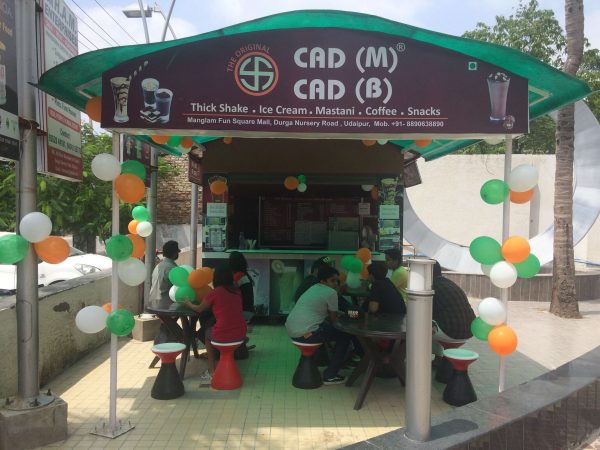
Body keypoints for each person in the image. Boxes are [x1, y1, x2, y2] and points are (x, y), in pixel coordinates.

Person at [182, 264, 247, 385]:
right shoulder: (237, 291)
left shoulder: (215, 292)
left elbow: (199, 309)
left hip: (224, 335)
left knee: (206, 334)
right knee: (213, 328)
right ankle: (221, 360)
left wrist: (188, 304)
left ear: (216, 278)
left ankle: (212, 370)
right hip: (241, 334)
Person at [285, 266, 351, 385]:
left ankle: (321, 361)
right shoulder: (331, 293)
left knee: (324, 328)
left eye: (337, 281)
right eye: (332, 280)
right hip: (306, 334)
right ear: (323, 281)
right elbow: (334, 320)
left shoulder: (313, 288)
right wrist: (350, 316)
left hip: (291, 330)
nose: (336, 284)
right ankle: (330, 375)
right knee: (344, 336)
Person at [431, 261, 475, 342]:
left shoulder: (430, 286)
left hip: (451, 333)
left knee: (415, 329)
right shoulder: (449, 283)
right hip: (470, 330)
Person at [148, 240, 180, 309]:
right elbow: (179, 288)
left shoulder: (158, 266)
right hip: (165, 306)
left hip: (152, 304)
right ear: (175, 253)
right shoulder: (172, 268)